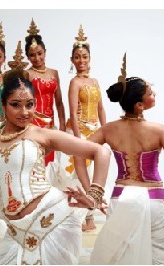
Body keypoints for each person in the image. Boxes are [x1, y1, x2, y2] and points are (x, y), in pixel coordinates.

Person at [0, 59, 111, 264]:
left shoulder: (43, 135)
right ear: (3, 106)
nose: (24, 112)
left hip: (53, 224)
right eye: (15, 105)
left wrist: (94, 195)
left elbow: (101, 153)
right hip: (16, 233)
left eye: (30, 104)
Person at [67, 53, 164, 264]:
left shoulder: (108, 130)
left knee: (122, 260)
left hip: (121, 200)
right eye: (150, 92)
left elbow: (78, 155)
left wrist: (92, 192)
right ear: (139, 104)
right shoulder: (159, 131)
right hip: (154, 198)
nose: (154, 93)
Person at [64, 24, 107, 231]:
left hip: (94, 131)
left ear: (90, 58)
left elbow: (100, 109)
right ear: (72, 60)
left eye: (85, 56)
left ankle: (87, 214)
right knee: (78, 174)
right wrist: (78, 138)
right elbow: (72, 112)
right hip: (78, 130)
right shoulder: (74, 83)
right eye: (77, 57)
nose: (81, 61)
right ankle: (84, 217)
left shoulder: (95, 81)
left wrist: (106, 132)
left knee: (90, 172)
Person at [24, 18, 66, 167]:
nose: (37, 58)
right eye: (32, 55)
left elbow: (59, 103)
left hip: (51, 123)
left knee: (51, 161)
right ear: (28, 57)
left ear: (45, 52)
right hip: (32, 123)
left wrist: (62, 126)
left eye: (40, 53)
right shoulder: (27, 74)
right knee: (35, 159)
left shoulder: (54, 73)